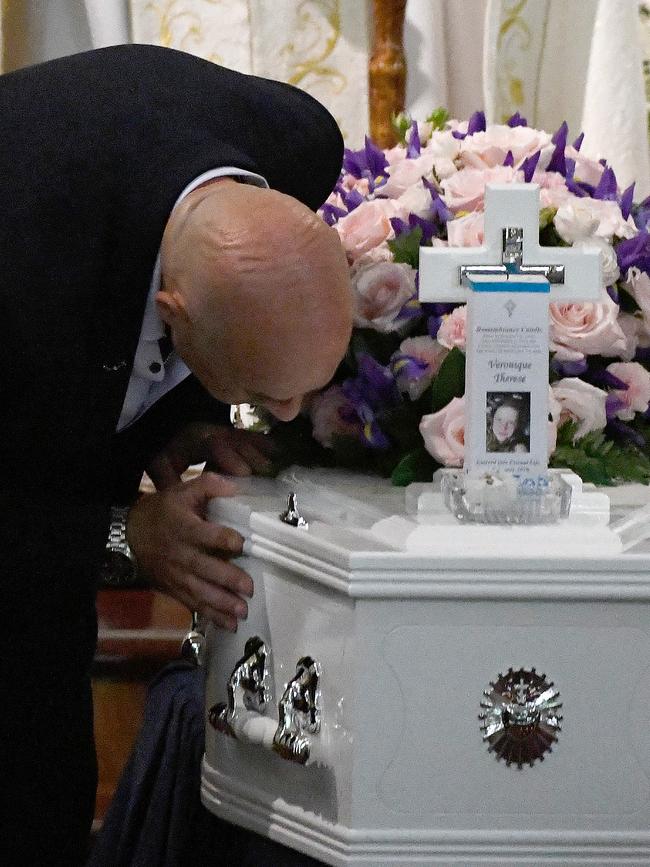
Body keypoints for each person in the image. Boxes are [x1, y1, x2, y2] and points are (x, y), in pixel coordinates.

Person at [0, 44, 352, 865]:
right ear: (174, 311)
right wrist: (130, 533)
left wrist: (178, 417)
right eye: (267, 389)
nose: (287, 413)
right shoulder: (19, 264)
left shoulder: (300, 143)